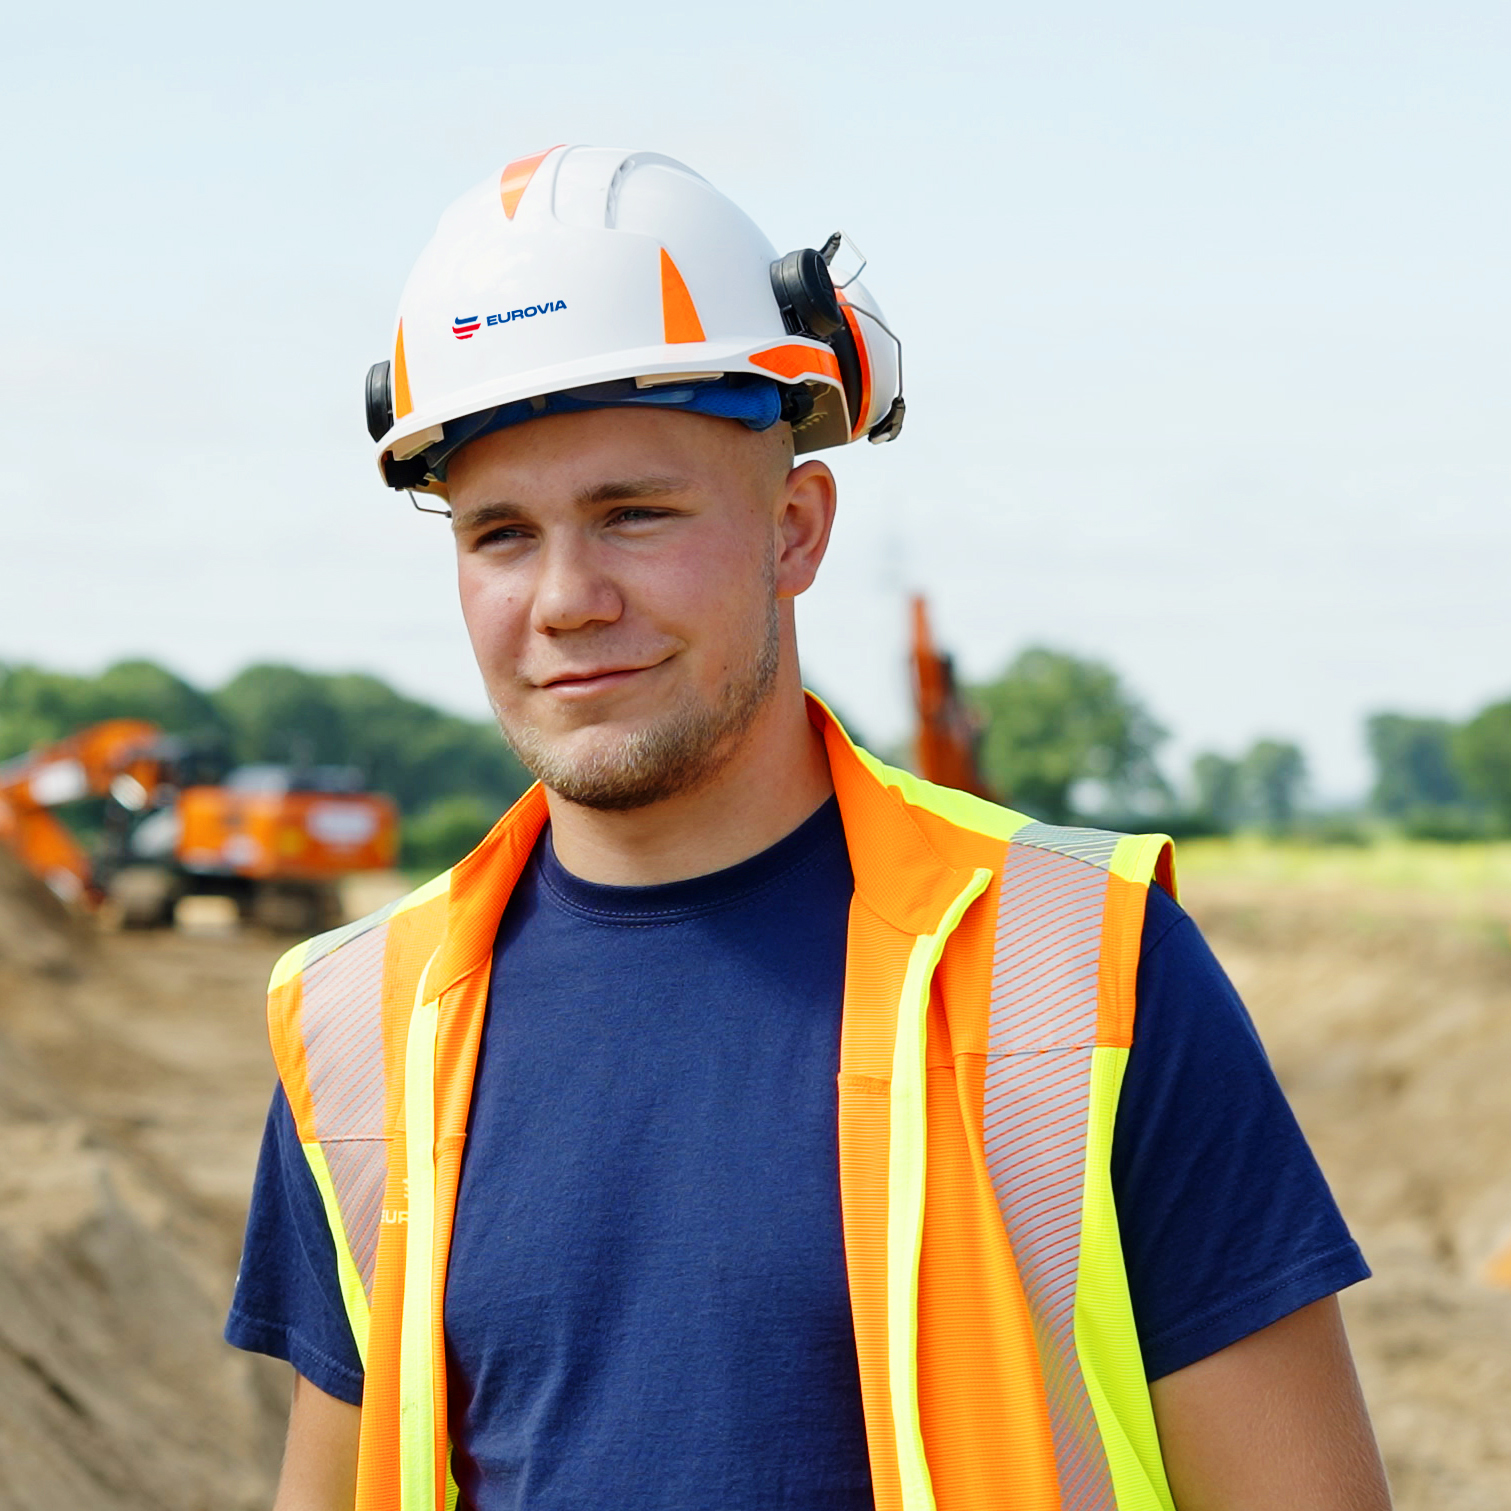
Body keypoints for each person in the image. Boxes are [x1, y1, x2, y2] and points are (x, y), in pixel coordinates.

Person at [226, 145, 1391, 1511]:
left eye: (633, 515)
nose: (565, 599)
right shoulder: (361, 1027)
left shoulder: (1078, 966)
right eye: (499, 534)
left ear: (795, 528)